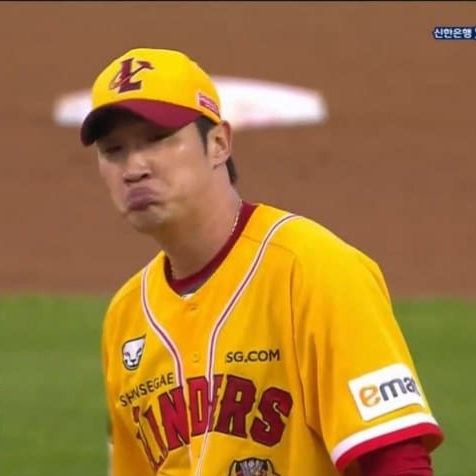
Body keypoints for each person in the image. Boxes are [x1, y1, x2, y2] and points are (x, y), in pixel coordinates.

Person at [80, 47, 443, 476]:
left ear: (218, 143)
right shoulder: (125, 317)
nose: (133, 168)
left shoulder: (312, 268)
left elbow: (396, 460)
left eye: (157, 139)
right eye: (113, 150)